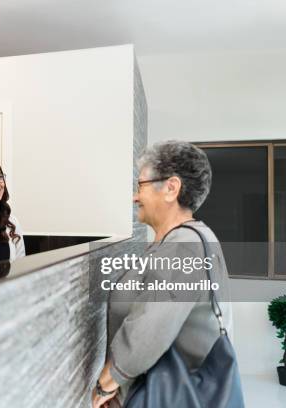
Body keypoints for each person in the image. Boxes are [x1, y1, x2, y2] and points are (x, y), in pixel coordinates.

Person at [92, 141, 233, 408]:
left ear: (171, 188)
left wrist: (106, 384)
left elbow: (150, 330)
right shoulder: (187, 239)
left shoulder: (183, 246)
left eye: (141, 185)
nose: (135, 196)